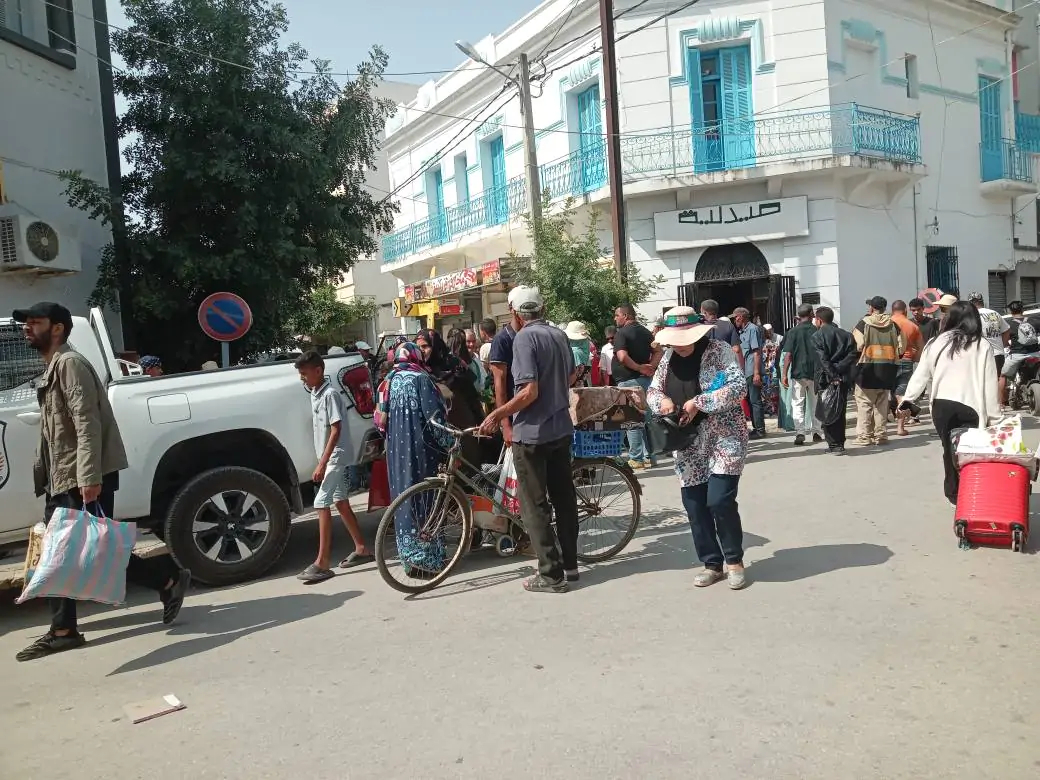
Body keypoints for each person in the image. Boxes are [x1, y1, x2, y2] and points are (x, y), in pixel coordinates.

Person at [13, 302, 190, 662]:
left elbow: (86, 422)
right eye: (25, 323)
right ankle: (67, 628)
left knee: (88, 550)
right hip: (66, 475)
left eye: (35, 322)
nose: (27, 328)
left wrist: (88, 477)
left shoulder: (70, 364)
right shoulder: (55, 364)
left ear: (57, 328)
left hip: (80, 475)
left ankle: (165, 582)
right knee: (66, 552)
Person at [479, 286, 579, 593]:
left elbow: (528, 391)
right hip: (561, 428)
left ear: (516, 313)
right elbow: (570, 376)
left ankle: (550, 574)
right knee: (564, 499)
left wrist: (498, 415)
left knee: (534, 505)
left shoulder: (524, 338)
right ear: (541, 309)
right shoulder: (559, 335)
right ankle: (570, 566)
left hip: (533, 434)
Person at [646, 307, 749, 590]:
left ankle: (734, 561)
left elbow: (737, 387)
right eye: (675, 340)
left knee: (719, 500)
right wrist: (662, 402)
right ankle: (711, 563)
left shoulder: (719, 350)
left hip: (725, 436)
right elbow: (653, 391)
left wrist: (699, 403)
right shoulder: (668, 358)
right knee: (694, 503)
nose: (679, 345)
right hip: (687, 441)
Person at [901, 301, 1000, 502]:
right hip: (971, 406)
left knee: (949, 449)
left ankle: (954, 493)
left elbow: (921, 374)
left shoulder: (936, 342)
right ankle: (973, 492)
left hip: (942, 406)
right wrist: (995, 419)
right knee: (972, 451)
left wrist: (908, 399)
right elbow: (990, 383)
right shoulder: (981, 345)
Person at [374, 342, 455, 573]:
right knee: (424, 500)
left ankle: (409, 561)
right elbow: (435, 420)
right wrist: (451, 443)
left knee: (403, 501)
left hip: (395, 452)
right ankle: (429, 560)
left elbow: (379, 421)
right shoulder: (421, 379)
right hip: (422, 452)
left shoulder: (387, 381)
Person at [294, 351, 372, 583]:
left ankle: (322, 562)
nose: (302, 378)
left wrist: (322, 463)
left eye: (304, 373)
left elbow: (336, 430)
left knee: (321, 502)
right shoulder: (315, 393)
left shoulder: (330, 394)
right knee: (340, 501)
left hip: (335, 457)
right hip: (328, 457)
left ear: (318, 371)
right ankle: (361, 548)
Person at [418, 328, 484, 465]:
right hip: (437, 429)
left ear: (435, 345)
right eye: (418, 347)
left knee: (466, 465)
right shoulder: (419, 370)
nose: (421, 350)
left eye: (425, 346)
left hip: (460, 424)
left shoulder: (454, 363)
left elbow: (471, 393)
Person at [852, 296, 904, 446]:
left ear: (871, 308)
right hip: (888, 368)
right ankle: (881, 436)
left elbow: (857, 345)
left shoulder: (863, 323)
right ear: (885, 308)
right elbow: (901, 347)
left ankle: (864, 436)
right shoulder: (894, 325)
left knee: (864, 403)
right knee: (882, 403)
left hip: (867, 368)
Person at [612, 304, 658, 469]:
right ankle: (650, 456)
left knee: (632, 420)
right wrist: (650, 367)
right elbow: (658, 351)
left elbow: (622, 356)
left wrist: (640, 368)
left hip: (629, 380)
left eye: (617, 315)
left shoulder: (621, 333)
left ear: (625, 315)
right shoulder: (646, 332)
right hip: (644, 380)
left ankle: (636, 458)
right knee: (645, 419)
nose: (615, 319)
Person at [811, 306, 858, 455]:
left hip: (826, 378)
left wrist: (833, 374)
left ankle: (834, 444)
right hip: (842, 377)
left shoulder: (817, 336)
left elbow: (823, 360)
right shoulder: (846, 335)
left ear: (819, 320)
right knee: (839, 410)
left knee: (827, 410)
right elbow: (853, 354)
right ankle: (838, 443)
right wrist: (839, 369)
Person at [781, 304, 822, 445]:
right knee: (815, 403)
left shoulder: (793, 332)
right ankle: (816, 432)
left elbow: (788, 355)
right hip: (815, 373)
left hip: (798, 373)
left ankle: (800, 432)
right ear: (811, 314)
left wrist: (784, 374)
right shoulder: (817, 330)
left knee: (797, 403)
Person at [731, 307, 766, 439]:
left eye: (735, 317)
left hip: (752, 370)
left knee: (755, 400)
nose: (734, 320)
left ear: (741, 317)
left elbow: (757, 352)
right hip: (746, 371)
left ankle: (760, 429)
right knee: (750, 401)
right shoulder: (742, 331)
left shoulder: (752, 329)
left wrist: (756, 373)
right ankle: (756, 428)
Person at [891, 300, 923, 436]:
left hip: (887, 361)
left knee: (882, 395)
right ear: (905, 310)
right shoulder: (912, 326)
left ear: (892, 310)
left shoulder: (886, 323)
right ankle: (900, 428)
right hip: (906, 360)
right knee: (901, 394)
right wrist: (914, 358)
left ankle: (878, 430)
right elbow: (921, 348)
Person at [999, 300, 1040, 406]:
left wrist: (1006, 345)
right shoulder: (1034, 321)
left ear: (1011, 311)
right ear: (1023, 310)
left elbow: (1005, 341)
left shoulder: (1009, 324)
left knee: (1003, 375)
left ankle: (1001, 403)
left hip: (1017, 355)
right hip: (1036, 354)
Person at [489, 311, 518, 445]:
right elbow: (499, 385)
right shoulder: (502, 340)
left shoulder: (530, 336)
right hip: (513, 416)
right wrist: (505, 424)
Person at [967, 292, 1010, 376]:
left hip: (982, 355)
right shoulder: (994, 313)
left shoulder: (972, 316)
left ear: (971, 303)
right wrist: (1003, 345)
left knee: (983, 380)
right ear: (982, 302)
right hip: (999, 354)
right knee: (999, 378)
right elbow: (1006, 330)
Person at [564, 321, 592, 386]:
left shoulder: (575, 353)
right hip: (583, 384)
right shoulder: (583, 351)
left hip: (574, 387)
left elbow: (571, 380)